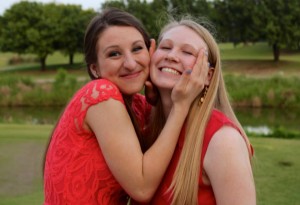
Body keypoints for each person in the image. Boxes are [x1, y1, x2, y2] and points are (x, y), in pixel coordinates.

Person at [43, 8, 209, 205]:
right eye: (114, 54)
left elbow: (161, 147)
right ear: (95, 69)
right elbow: (142, 187)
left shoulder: (137, 104)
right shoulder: (101, 94)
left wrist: (158, 103)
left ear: (151, 51)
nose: (130, 64)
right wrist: (180, 106)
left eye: (138, 49)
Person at [137, 17, 256, 205]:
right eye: (165, 47)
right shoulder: (143, 122)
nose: (171, 56)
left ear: (208, 76)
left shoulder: (223, 140)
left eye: (187, 52)